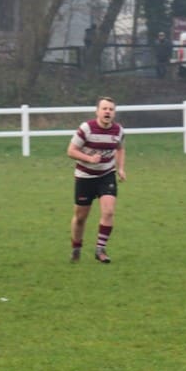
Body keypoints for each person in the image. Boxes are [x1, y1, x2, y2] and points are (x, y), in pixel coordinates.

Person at [68, 96, 126, 263]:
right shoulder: (86, 129)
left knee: (108, 211)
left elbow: (120, 149)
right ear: (97, 111)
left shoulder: (118, 130)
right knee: (80, 217)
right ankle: (76, 247)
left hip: (106, 175)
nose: (108, 111)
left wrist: (120, 168)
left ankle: (100, 249)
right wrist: (88, 158)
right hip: (85, 177)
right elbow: (71, 151)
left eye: (111, 109)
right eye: (104, 108)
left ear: (114, 113)